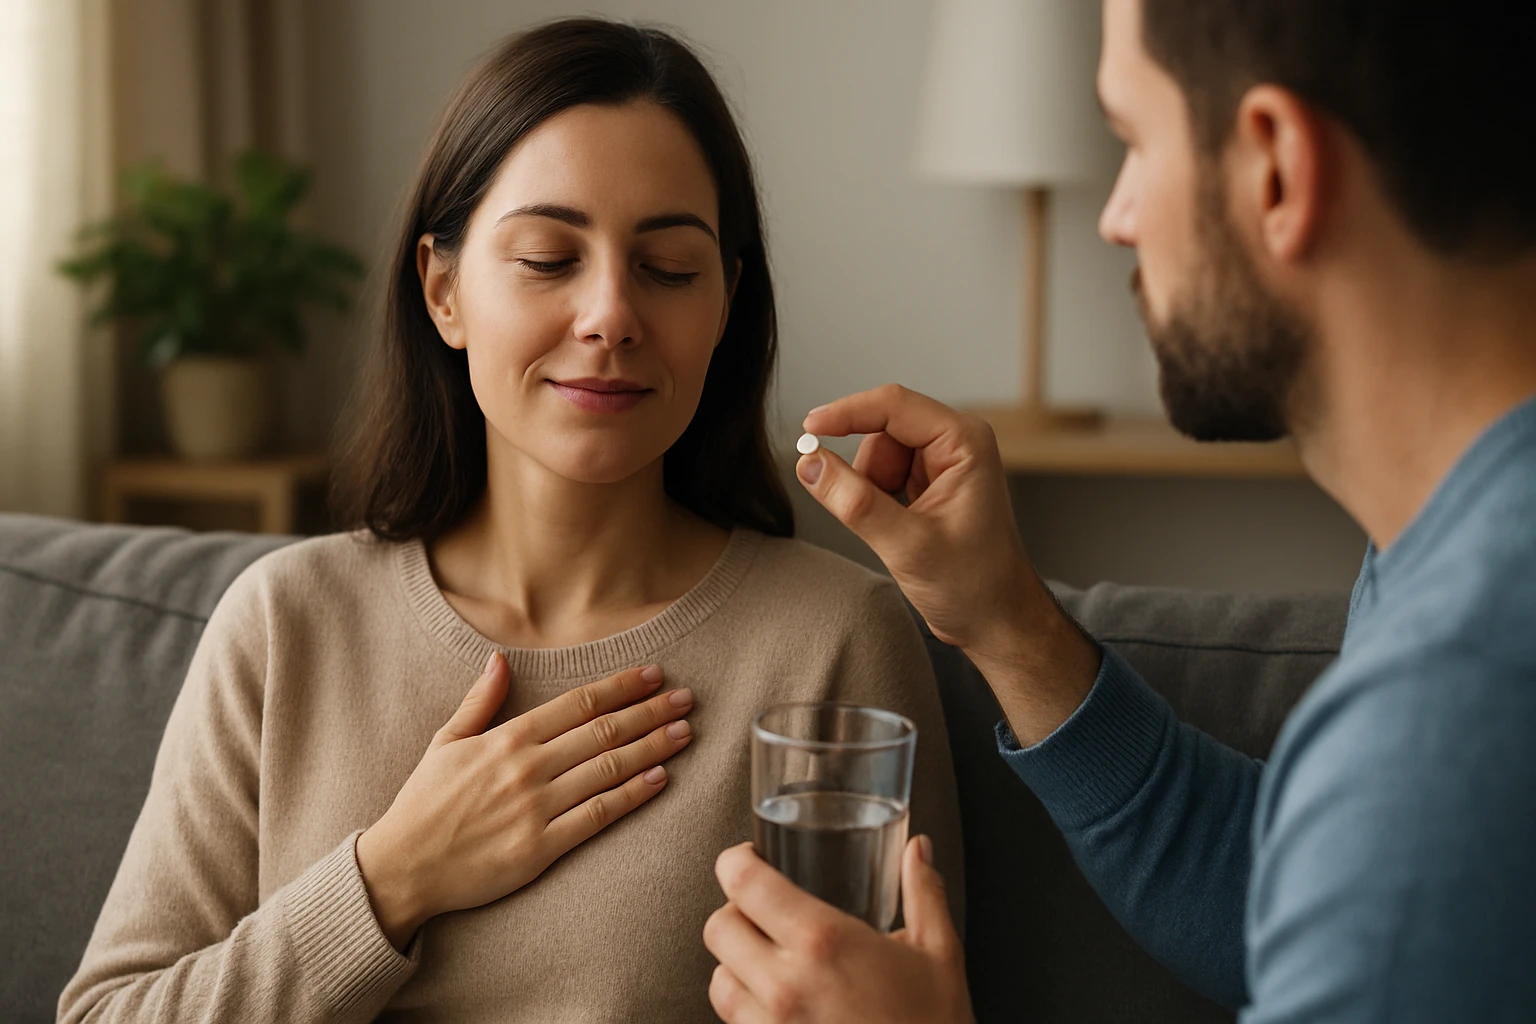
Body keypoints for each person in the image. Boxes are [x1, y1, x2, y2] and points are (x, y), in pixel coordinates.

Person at [57, 19, 963, 1024]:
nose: (611, 313)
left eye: (668, 268)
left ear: (724, 306)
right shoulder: (284, 623)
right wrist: (389, 879)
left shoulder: (832, 639)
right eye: (546, 257)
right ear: (443, 290)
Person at [704, 0, 1536, 1021]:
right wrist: (1005, 619)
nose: (1116, 216)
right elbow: (1298, 896)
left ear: (1274, 166)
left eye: (1133, 142)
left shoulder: (1459, 703)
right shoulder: (1451, 550)